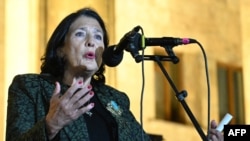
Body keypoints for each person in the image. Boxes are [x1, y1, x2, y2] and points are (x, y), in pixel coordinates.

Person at [6, 7, 152, 141]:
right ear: (60, 49)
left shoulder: (116, 99)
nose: (91, 42)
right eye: (80, 34)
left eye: (98, 37)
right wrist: (51, 125)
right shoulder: (30, 88)